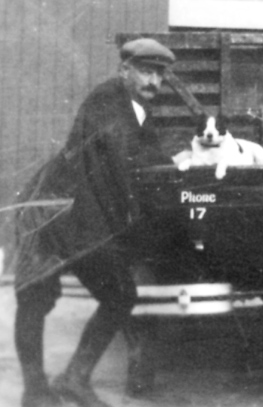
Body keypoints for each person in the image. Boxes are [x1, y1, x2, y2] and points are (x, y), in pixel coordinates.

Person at [12, 38, 177, 407]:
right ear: (124, 70)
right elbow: (122, 161)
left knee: (119, 294)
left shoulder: (137, 111)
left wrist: (180, 161)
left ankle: (74, 379)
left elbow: (149, 154)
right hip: (52, 211)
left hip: (81, 216)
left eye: (159, 74)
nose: (153, 81)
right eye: (146, 71)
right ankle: (36, 391)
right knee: (35, 298)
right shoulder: (107, 100)